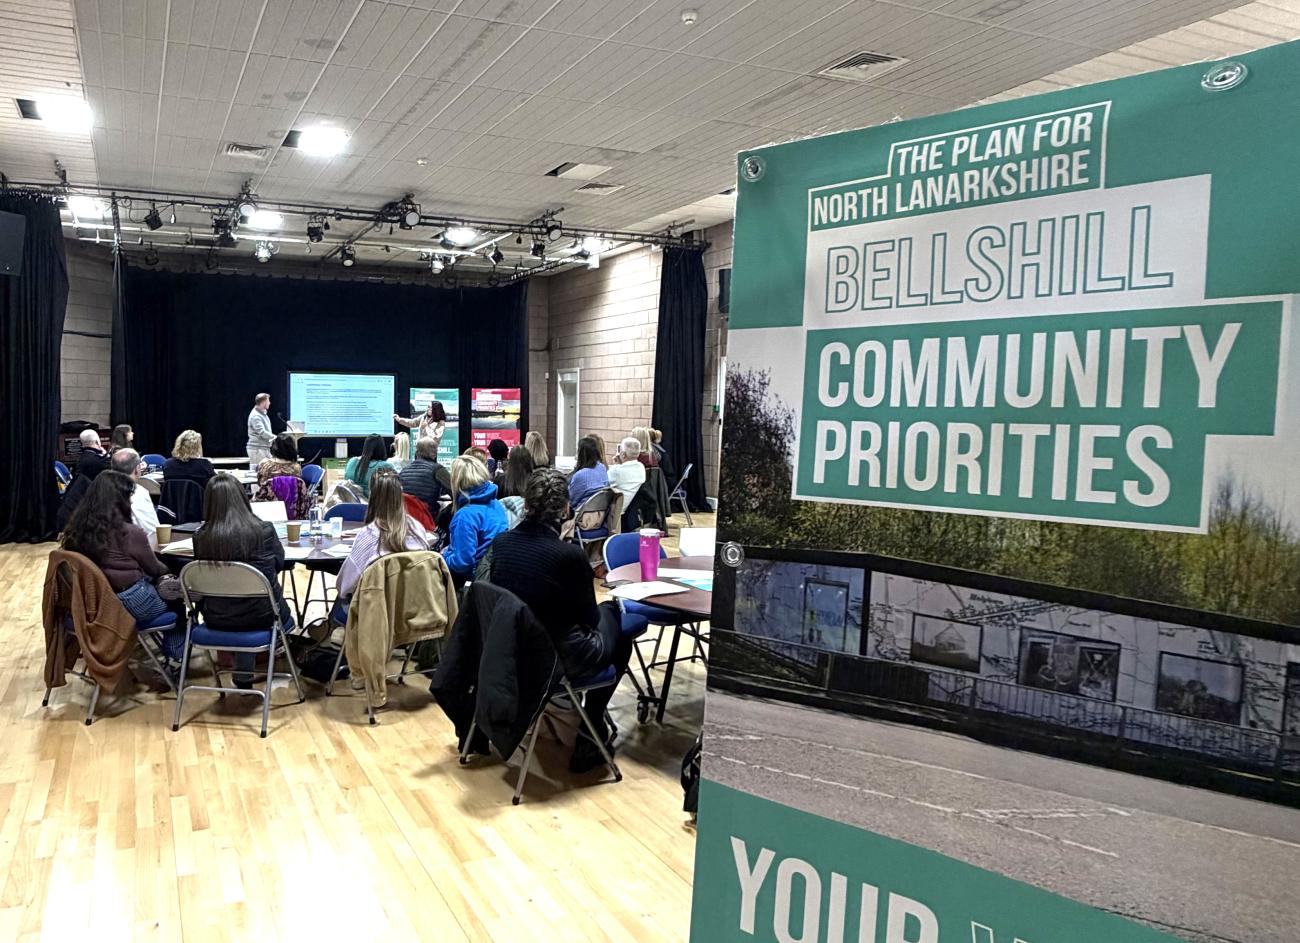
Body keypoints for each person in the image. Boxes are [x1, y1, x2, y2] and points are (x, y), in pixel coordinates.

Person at [484, 468, 636, 773]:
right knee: (617, 622)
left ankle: (582, 724)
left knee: (607, 616)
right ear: (566, 509)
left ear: (527, 504)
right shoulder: (569, 557)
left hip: (514, 652)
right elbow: (589, 619)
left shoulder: (501, 544)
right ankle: (591, 728)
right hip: (559, 658)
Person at [193, 474, 295, 687]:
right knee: (254, 599)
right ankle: (261, 659)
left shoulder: (201, 537)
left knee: (237, 598)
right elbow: (278, 564)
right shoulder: (264, 530)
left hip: (217, 617)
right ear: (242, 498)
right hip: (264, 616)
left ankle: (243, 671)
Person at [332, 472, 431, 624]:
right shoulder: (418, 529)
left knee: (340, 602)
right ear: (401, 497)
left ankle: (333, 631)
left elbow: (344, 586)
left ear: (372, 498)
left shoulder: (369, 535)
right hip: (414, 611)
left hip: (376, 615)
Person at [443, 455, 507, 583]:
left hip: (471, 582)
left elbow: (462, 563)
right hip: (493, 577)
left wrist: (441, 557)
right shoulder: (496, 504)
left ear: (457, 481)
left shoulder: (465, 516)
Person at [110, 447, 159, 536]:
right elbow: (152, 530)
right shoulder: (137, 492)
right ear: (137, 469)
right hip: (131, 542)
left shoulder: (102, 488)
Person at [399, 436, 446, 518]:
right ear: (434, 454)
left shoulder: (403, 471)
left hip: (405, 517)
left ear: (417, 452)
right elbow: (455, 491)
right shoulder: (438, 469)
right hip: (428, 517)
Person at [498, 445, 535, 528]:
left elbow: (497, 505)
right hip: (530, 525)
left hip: (505, 524)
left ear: (510, 460)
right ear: (529, 460)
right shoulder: (535, 480)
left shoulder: (500, 479)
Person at [568, 435, 609, 509]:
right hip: (599, 513)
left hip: (579, 514)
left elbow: (571, 501)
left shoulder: (579, 475)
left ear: (581, 454)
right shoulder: (602, 468)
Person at [607, 436, 647, 506]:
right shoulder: (641, 467)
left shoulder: (616, 471)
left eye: (620, 450)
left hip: (615, 509)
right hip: (631, 508)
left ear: (623, 454)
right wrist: (618, 465)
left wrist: (615, 466)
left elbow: (602, 484)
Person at [246, 393, 275, 469]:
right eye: (268, 401)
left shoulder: (262, 414)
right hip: (257, 449)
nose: (270, 403)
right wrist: (275, 437)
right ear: (264, 402)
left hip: (264, 448)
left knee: (270, 469)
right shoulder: (255, 416)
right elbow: (262, 432)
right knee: (259, 472)